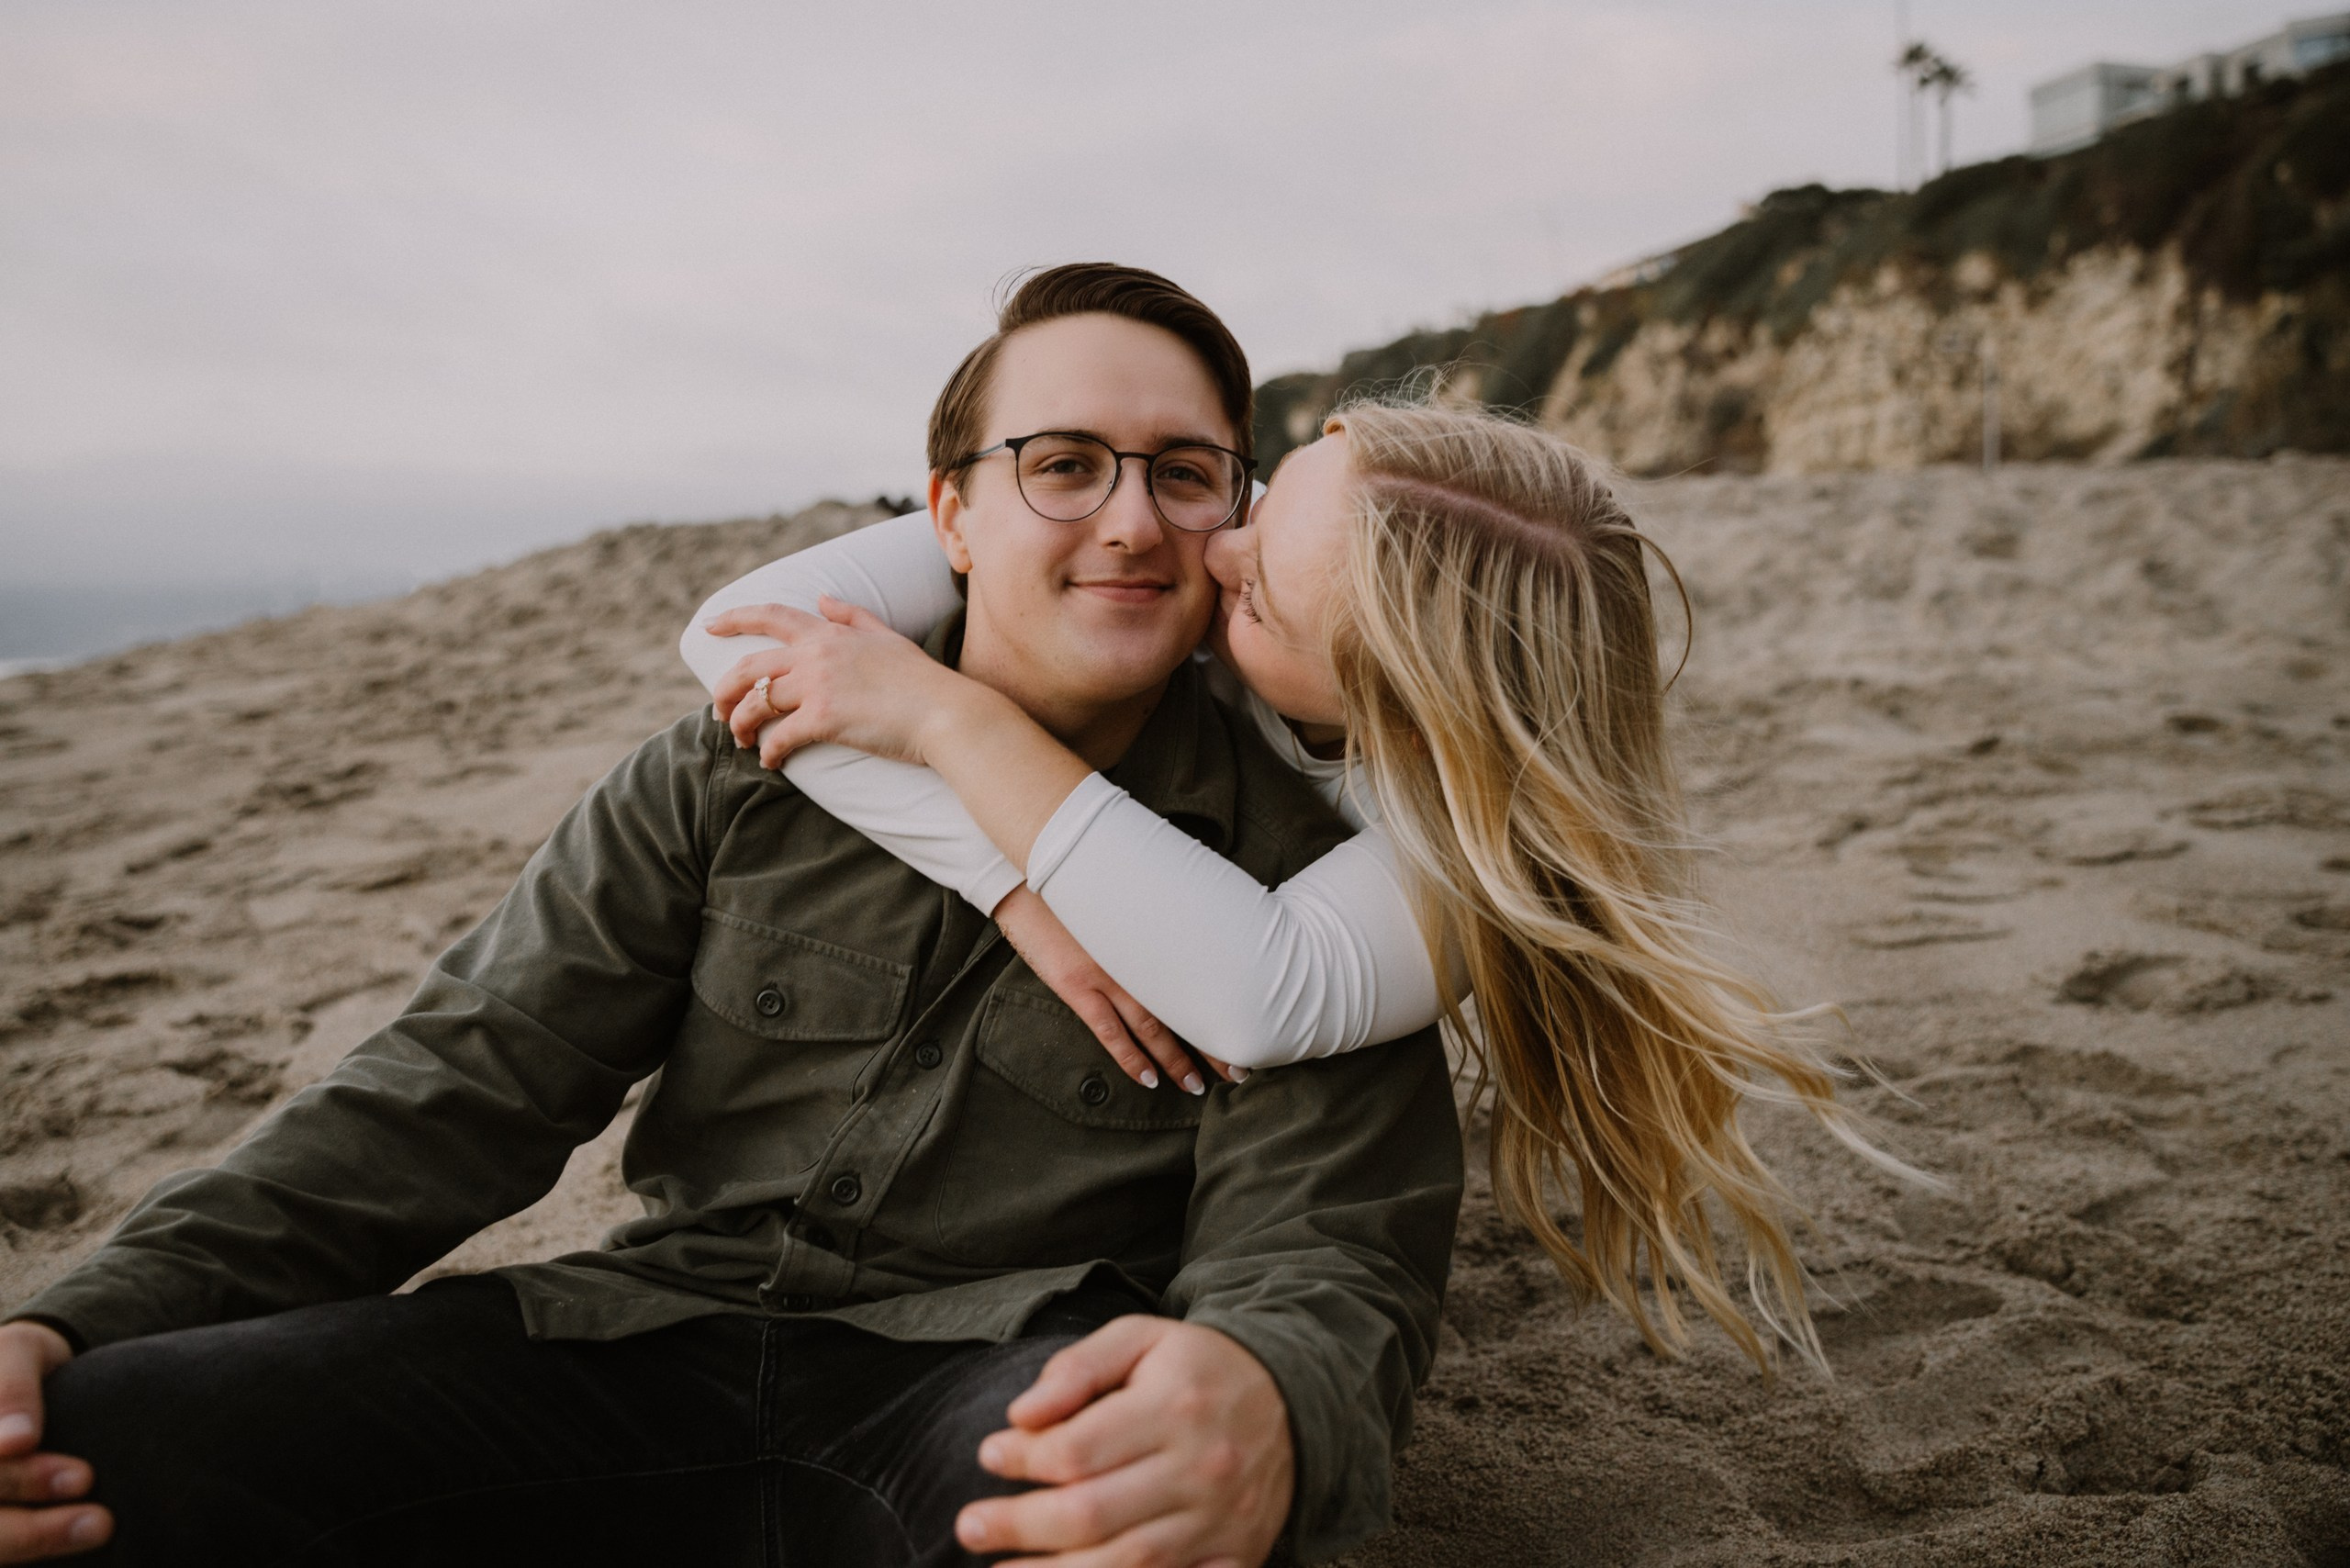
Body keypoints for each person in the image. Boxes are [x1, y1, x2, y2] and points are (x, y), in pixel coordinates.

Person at [0, 263, 1463, 1566]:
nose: (1133, 521)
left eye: (1187, 472)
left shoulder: (1299, 885)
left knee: (1104, 1521)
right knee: (88, 1446)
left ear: (1235, 515)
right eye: (1064, 465)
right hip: (646, 1335)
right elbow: (453, 1086)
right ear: (949, 513)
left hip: (992, 1383)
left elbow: (1326, 1246)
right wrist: (73, 1318)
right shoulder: (737, 764)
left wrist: (1268, 1398)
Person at [686, 393, 1919, 1379]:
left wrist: (949, 722)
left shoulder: (1467, 841)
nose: (1202, 548)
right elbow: (737, 627)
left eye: (1251, 592)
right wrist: (1013, 889)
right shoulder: (1274, 524)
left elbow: (1263, 994)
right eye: (1262, 511)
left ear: (1397, 712)